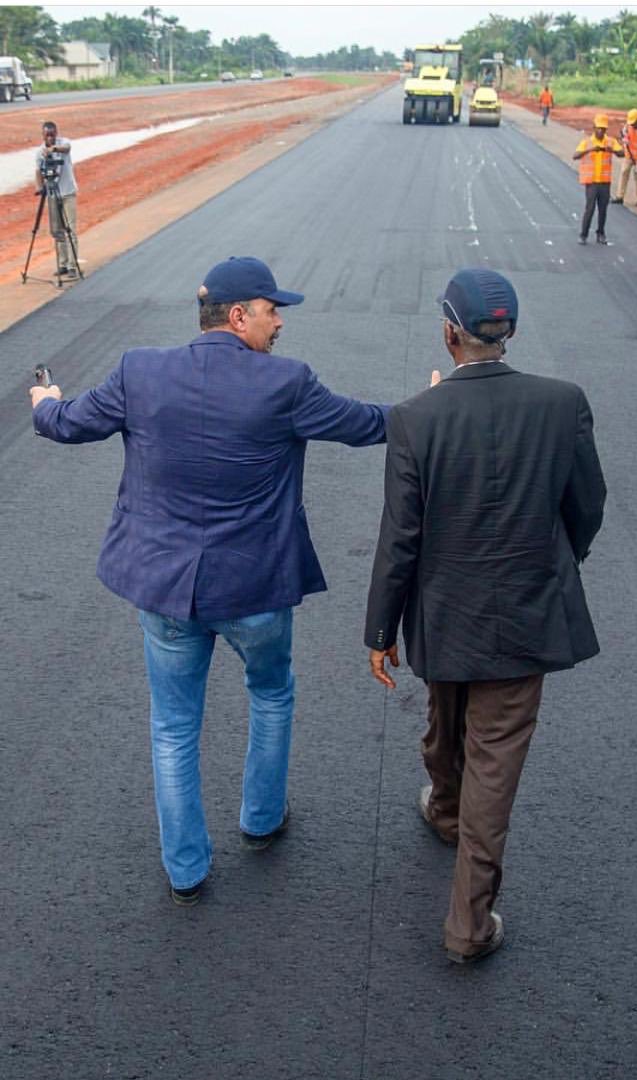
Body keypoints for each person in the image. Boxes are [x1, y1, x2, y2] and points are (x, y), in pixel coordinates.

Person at [29, 257, 390, 905]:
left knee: (172, 726)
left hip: (167, 593)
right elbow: (367, 424)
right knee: (272, 694)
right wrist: (439, 406)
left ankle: (186, 868)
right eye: (271, 309)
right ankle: (260, 820)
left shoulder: (140, 371)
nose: (280, 321)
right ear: (238, 315)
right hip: (256, 591)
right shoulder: (288, 384)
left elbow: (65, 424)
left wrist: (45, 401)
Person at [365, 268, 606, 964]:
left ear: (449, 334)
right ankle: (470, 917)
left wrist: (381, 632)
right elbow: (586, 505)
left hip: (443, 611)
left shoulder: (415, 417)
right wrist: (561, 559)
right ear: (511, 333)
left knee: (446, 714)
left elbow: (399, 537)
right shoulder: (563, 403)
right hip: (527, 611)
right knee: (492, 757)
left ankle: (445, 810)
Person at [34, 120, 78, 278]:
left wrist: (54, 149)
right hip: (53, 194)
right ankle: (63, 264)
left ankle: (73, 266)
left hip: (67, 192)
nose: (50, 137)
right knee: (57, 231)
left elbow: (67, 148)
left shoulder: (63, 143)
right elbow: (38, 170)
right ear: (43, 135)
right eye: (47, 135)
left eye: (52, 134)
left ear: (56, 133)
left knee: (71, 229)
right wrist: (39, 187)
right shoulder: (40, 151)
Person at [572, 115, 624, 245]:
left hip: (605, 182)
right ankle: (583, 235)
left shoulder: (610, 142)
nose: (600, 131)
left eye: (603, 129)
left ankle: (600, 233)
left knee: (603, 210)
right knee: (589, 209)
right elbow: (575, 156)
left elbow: (622, 153)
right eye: (598, 128)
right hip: (592, 183)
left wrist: (612, 150)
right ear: (594, 128)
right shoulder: (587, 142)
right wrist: (591, 150)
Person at [613, 108, 637, 207]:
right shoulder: (628, 125)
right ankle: (619, 197)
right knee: (624, 172)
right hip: (629, 155)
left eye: (634, 123)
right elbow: (624, 137)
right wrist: (624, 140)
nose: (632, 125)